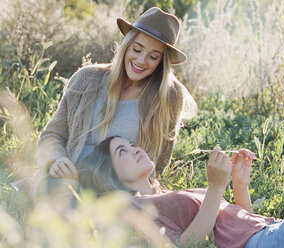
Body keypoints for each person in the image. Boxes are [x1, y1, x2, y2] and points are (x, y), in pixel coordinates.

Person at [11, 7, 196, 195]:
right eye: (137, 49)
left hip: (118, 195)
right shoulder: (87, 79)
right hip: (64, 183)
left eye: (153, 56)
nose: (141, 60)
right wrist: (56, 160)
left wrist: (132, 187)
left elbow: (160, 159)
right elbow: (52, 134)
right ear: (127, 45)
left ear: (162, 63)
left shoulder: (169, 97)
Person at [77, 135, 284, 248]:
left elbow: (240, 229)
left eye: (131, 143)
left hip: (274, 234)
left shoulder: (167, 193)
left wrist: (239, 184)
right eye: (122, 151)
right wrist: (216, 187)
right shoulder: (133, 207)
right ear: (110, 175)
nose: (135, 148)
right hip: (276, 243)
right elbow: (186, 245)